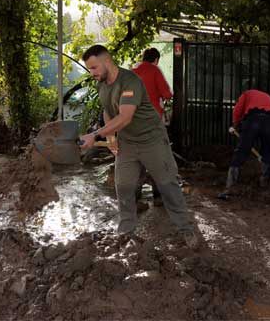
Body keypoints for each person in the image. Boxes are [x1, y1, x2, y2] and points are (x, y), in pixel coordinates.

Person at [78, 44, 198, 249]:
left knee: (167, 185)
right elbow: (109, 112)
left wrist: (95, 135)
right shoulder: (103, 85)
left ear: (107, 62)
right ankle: (126, 234)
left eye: (94, 68)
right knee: (123, 186)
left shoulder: (130, 81)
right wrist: (111, 138)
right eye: (89, 69)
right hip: (128, 143)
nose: (92, 73)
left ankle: (186, 230)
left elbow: (125, 116)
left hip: (152, 140)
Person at [132, 47, 173, 207]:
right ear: (156, 59)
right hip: (152, 120)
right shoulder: (154, 70)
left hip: (132, 120)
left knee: (137, 157)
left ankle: (135, 197)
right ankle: (158, 196)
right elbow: (167, 94)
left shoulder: (133, 70)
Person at [225, 89, 270, 191]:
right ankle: (265, 182)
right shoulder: (267, 95)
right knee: (268, 150)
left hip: (253, 118)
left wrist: (235, 125)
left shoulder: (245, 94)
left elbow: (237, 110)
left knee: (242, 149)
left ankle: (231, 184)